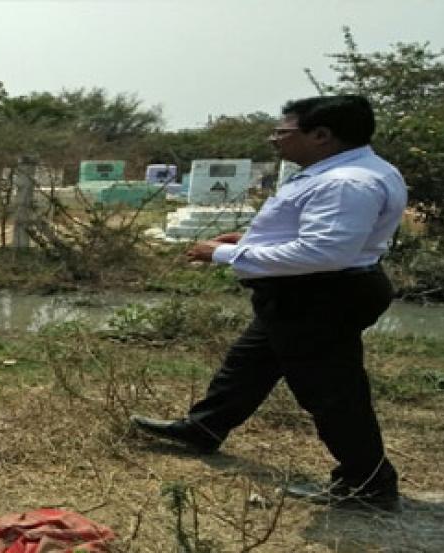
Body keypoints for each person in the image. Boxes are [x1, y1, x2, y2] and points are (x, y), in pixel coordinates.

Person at [130, 95, 407, 512]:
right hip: (308, 290)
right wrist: (248, 241)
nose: (274, 140)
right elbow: (321, 237)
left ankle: (367, 481)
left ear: (320, 136)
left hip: (320, 293)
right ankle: (203, 428)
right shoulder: (345, 172)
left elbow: (324, 253)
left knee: (331, 389)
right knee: (249, 363)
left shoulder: (346, 182)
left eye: (283, 131)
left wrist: (223, 255)